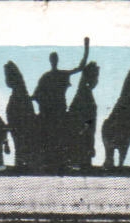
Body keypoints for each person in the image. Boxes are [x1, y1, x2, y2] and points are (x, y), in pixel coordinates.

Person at [32, 38, 90, 167]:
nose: (54, 61)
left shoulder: (60, 75)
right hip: (49, 113)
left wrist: (86, 50)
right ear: (51, 61)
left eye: (55, 59)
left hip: (59, 112)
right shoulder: (46, 76)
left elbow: (80, 67)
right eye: (53, 59)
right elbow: (36, 94)